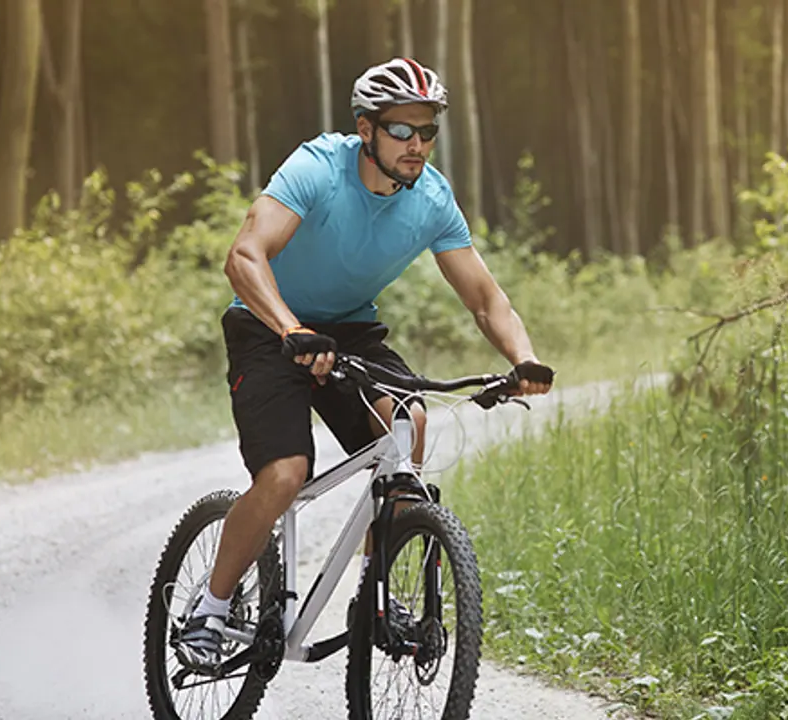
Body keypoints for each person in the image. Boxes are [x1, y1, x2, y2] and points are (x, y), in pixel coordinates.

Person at [173, 57, 554, 672]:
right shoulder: (318, 169)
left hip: (348, 330)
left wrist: (524, 358)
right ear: (366, 130)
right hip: (267, 324)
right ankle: (211, 609)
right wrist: (291, 329)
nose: (417, 144)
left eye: (427, 131)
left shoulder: (431, 198)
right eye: (401, 130)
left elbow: (485, 298)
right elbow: (244, 256)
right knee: (286, 473)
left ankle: (375, 599)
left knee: (408, 424)